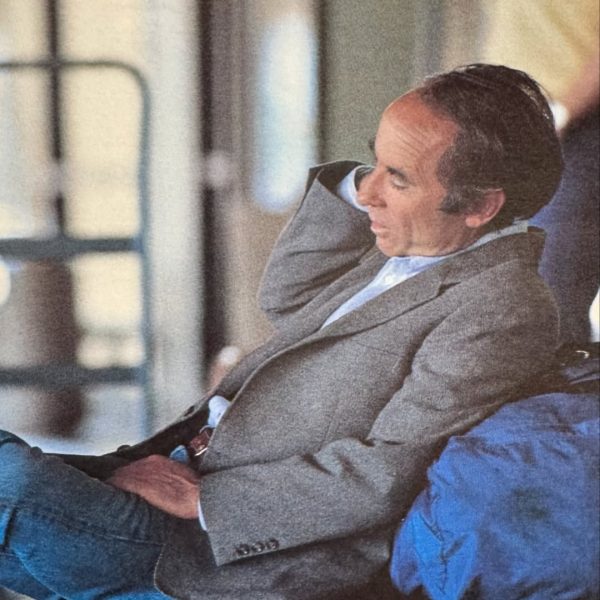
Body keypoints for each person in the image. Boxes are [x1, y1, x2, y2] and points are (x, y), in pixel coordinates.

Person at [0, 64, 562, 600]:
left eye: (398, 178)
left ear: (480, 206)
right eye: (375, 162)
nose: (369, 192)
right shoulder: (416, 246)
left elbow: (387, 470)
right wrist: (366, 184)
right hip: (174, 468)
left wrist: (203, 499)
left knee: (11, 478)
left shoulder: (501, 305)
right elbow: (286, 298)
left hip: (224, 549)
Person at [482, 0, 600, 344]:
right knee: (505, 292)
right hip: (512, 126)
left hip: (576, 130)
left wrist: (559, 114)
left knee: (548, 300)